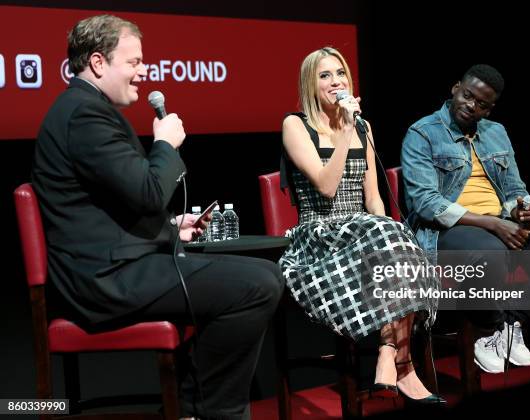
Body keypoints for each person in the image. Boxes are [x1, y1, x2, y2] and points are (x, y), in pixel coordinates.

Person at [32, 15, 284, 419]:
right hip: (108, 280)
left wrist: (171, 226)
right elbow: (149, 192)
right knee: (260, 283)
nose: (143, 72)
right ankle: (205, 409)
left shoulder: (85, 109)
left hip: (120, 266)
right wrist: (164, 145)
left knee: (260, 277)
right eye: (133, 62)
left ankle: (195, 403)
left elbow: (110, 205)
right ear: (98, 63)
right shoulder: (85, 115)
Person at [401, 64, 530, 374]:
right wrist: (493, 224)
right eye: (467, 96)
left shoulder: (496, 133)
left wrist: (522, 209)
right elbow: (425, 203)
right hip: (448, 229)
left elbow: (514, 189)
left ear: (489, 108)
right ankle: (490, 327)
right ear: (455, 88)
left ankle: (511, 323)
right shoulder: (423, 132)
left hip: (500, 224)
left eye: (481, 103)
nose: (471, 106)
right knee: (490, 252)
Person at [279, 47, 444, 404]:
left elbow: (373, 198)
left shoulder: (362, 128)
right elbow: (325, 184)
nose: (335, 81)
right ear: (311, 83)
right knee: (391, 237)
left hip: (362, 232)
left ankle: (390, 352)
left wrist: (389, 233)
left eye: (340, 73)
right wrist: (344, 130)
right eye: (325, 75)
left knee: (396, 237)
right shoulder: (296, 125)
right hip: (318, 236)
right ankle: (403, 366)